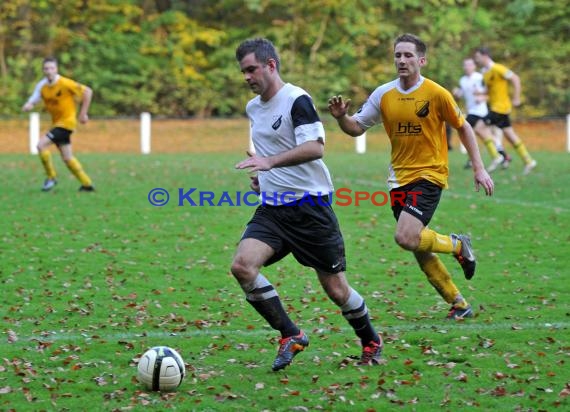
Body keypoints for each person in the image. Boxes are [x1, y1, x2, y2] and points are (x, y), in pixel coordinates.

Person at [231, 38, 382, 371]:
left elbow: (315, 148)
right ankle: (291, 334)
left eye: (252, 69)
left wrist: (270, 163)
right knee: (243, 266)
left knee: (336, 289)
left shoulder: (296, 100)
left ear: (271, 65)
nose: (246, 77)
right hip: (273, 209)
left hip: (310, 208)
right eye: (243, 71)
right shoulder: (253, 108)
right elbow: (272, 154)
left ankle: (371, 339)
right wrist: (262, 177)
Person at [328, 33, 495, 320]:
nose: (402, 60)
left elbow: (464, 127)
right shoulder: (384, 94)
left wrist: (479, 167)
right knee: (418, 246)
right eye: (397, 55)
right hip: (398, 179)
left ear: (421, 60)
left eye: (407, 55)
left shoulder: (436, 93)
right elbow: (356, 128)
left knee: (406, 237)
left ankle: (458, 245)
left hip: (430, 174)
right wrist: (342, 117)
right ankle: (458, 303)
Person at [22, 57, 94, 191]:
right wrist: (29, 104)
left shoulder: (65, 83)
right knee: (67, 157)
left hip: (66, 123)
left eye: (51, 68)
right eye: (46, 68)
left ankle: (51, 177)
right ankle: (87, 184)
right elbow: (35, 97)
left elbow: (88, 91)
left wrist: (83, 113)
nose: (49, 71)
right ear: (43, 70)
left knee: (40, 145)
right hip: (57, 124)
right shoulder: (42, 85)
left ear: (56, 69)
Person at [473, 47, 537, 175]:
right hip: (496, 107)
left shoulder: (498, 68)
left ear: (485, 56)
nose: (476, 60)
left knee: (479, 127)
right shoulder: (485, 72)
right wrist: (480, 93)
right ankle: (529, 161)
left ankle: (497, 156)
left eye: (478, 57)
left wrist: (517, 97)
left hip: (500, 108)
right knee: (509, 135)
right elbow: (490, 91)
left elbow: (515, 79)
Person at [452, 57, 505, 172]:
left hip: (480, 111)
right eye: (465, 65)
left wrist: (483, 97)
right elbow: (461, 95)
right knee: (483, 133)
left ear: (474, 66)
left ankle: (493, 155)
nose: (467, 67)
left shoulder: (479, 77)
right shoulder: (463, 80)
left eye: (469, 65)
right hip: (471, 110)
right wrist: (456, 93)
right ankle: (499, 155)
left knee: (464, 128)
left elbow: (489, 92)